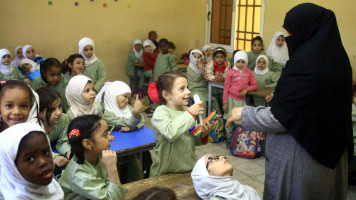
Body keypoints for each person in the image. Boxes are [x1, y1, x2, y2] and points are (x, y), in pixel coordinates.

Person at [226, 3, 352, 199]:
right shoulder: (338, 62)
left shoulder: (306, 65)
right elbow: (302, 104)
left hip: (303, 159)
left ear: (307, 31)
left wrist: (244, 113)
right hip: (331, 152)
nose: (288, 40)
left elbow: (282, 117)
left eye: (291, 33)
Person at [148, 71, 214, 177]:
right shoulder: (161, 112)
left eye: (187, 87)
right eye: (182, 89)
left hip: (189, 169)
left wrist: (203, 134)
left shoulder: (187, 110)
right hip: (165, 172)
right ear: (166, 95)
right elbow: (171, 133)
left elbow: (191, 140)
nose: (188, 92)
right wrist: (191, 113)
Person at [58, 115, 127, 199]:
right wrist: (112, 169)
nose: (109, 137)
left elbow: (108, 185)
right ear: (87, 143)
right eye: (105, 135)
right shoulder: (80, 175)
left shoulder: (99, 155)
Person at [0, 123, 64, 200]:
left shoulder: (47, 184)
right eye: (30, 158)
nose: (43, 162)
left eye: (46, 153)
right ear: (12, 167)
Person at [102, 81, 145, 183]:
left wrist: (132, 128)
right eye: (124, 96)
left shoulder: (127, 108)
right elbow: (123, 122)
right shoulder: (106, 112)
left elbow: (142, 120)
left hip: (129, 149)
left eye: (128, 98)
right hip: (112, 153)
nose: (126, 100)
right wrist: (135, 114)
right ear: (113, 95)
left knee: (136, 167)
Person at [191, 154, 260, 200]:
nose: (221, 157)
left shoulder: (248, 190)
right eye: (213, 159)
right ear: (205, 176)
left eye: (218, 156)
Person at [223, 51, 257, 139]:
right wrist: (225, 102)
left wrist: (247, 89)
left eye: (243, 62)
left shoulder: (249, 72)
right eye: (238, 61)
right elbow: (226, 88)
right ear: (234, 61)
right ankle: (230, 139)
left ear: (246, 62)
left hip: (242, 101)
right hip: (231, 100)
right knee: (229, 120)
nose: (240, 64)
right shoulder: (231, 72)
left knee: (241, 121)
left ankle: (239, 140)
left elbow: (255, 85)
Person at [36, 87, 71, 172]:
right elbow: (35, 150)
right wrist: (53, 156)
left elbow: (62, 141)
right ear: (39, 112)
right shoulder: (34, 127)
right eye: (52, 109)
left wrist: (68, 152)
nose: (58, 112)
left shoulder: (63, 119)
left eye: (59, 106)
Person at [205, 47, 231, 113]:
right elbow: (208, 75)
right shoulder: (210, 64)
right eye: (217, 57)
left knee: (222, 100)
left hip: (222, 87)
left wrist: (223, 77)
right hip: (212, 87)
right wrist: (216, 78)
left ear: (225, 57)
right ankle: (216, 116)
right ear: (214, 57)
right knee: (215, 101)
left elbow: (228, 74)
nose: (219, 59)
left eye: (221, 57)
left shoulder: (227, 64)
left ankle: (223, 115)